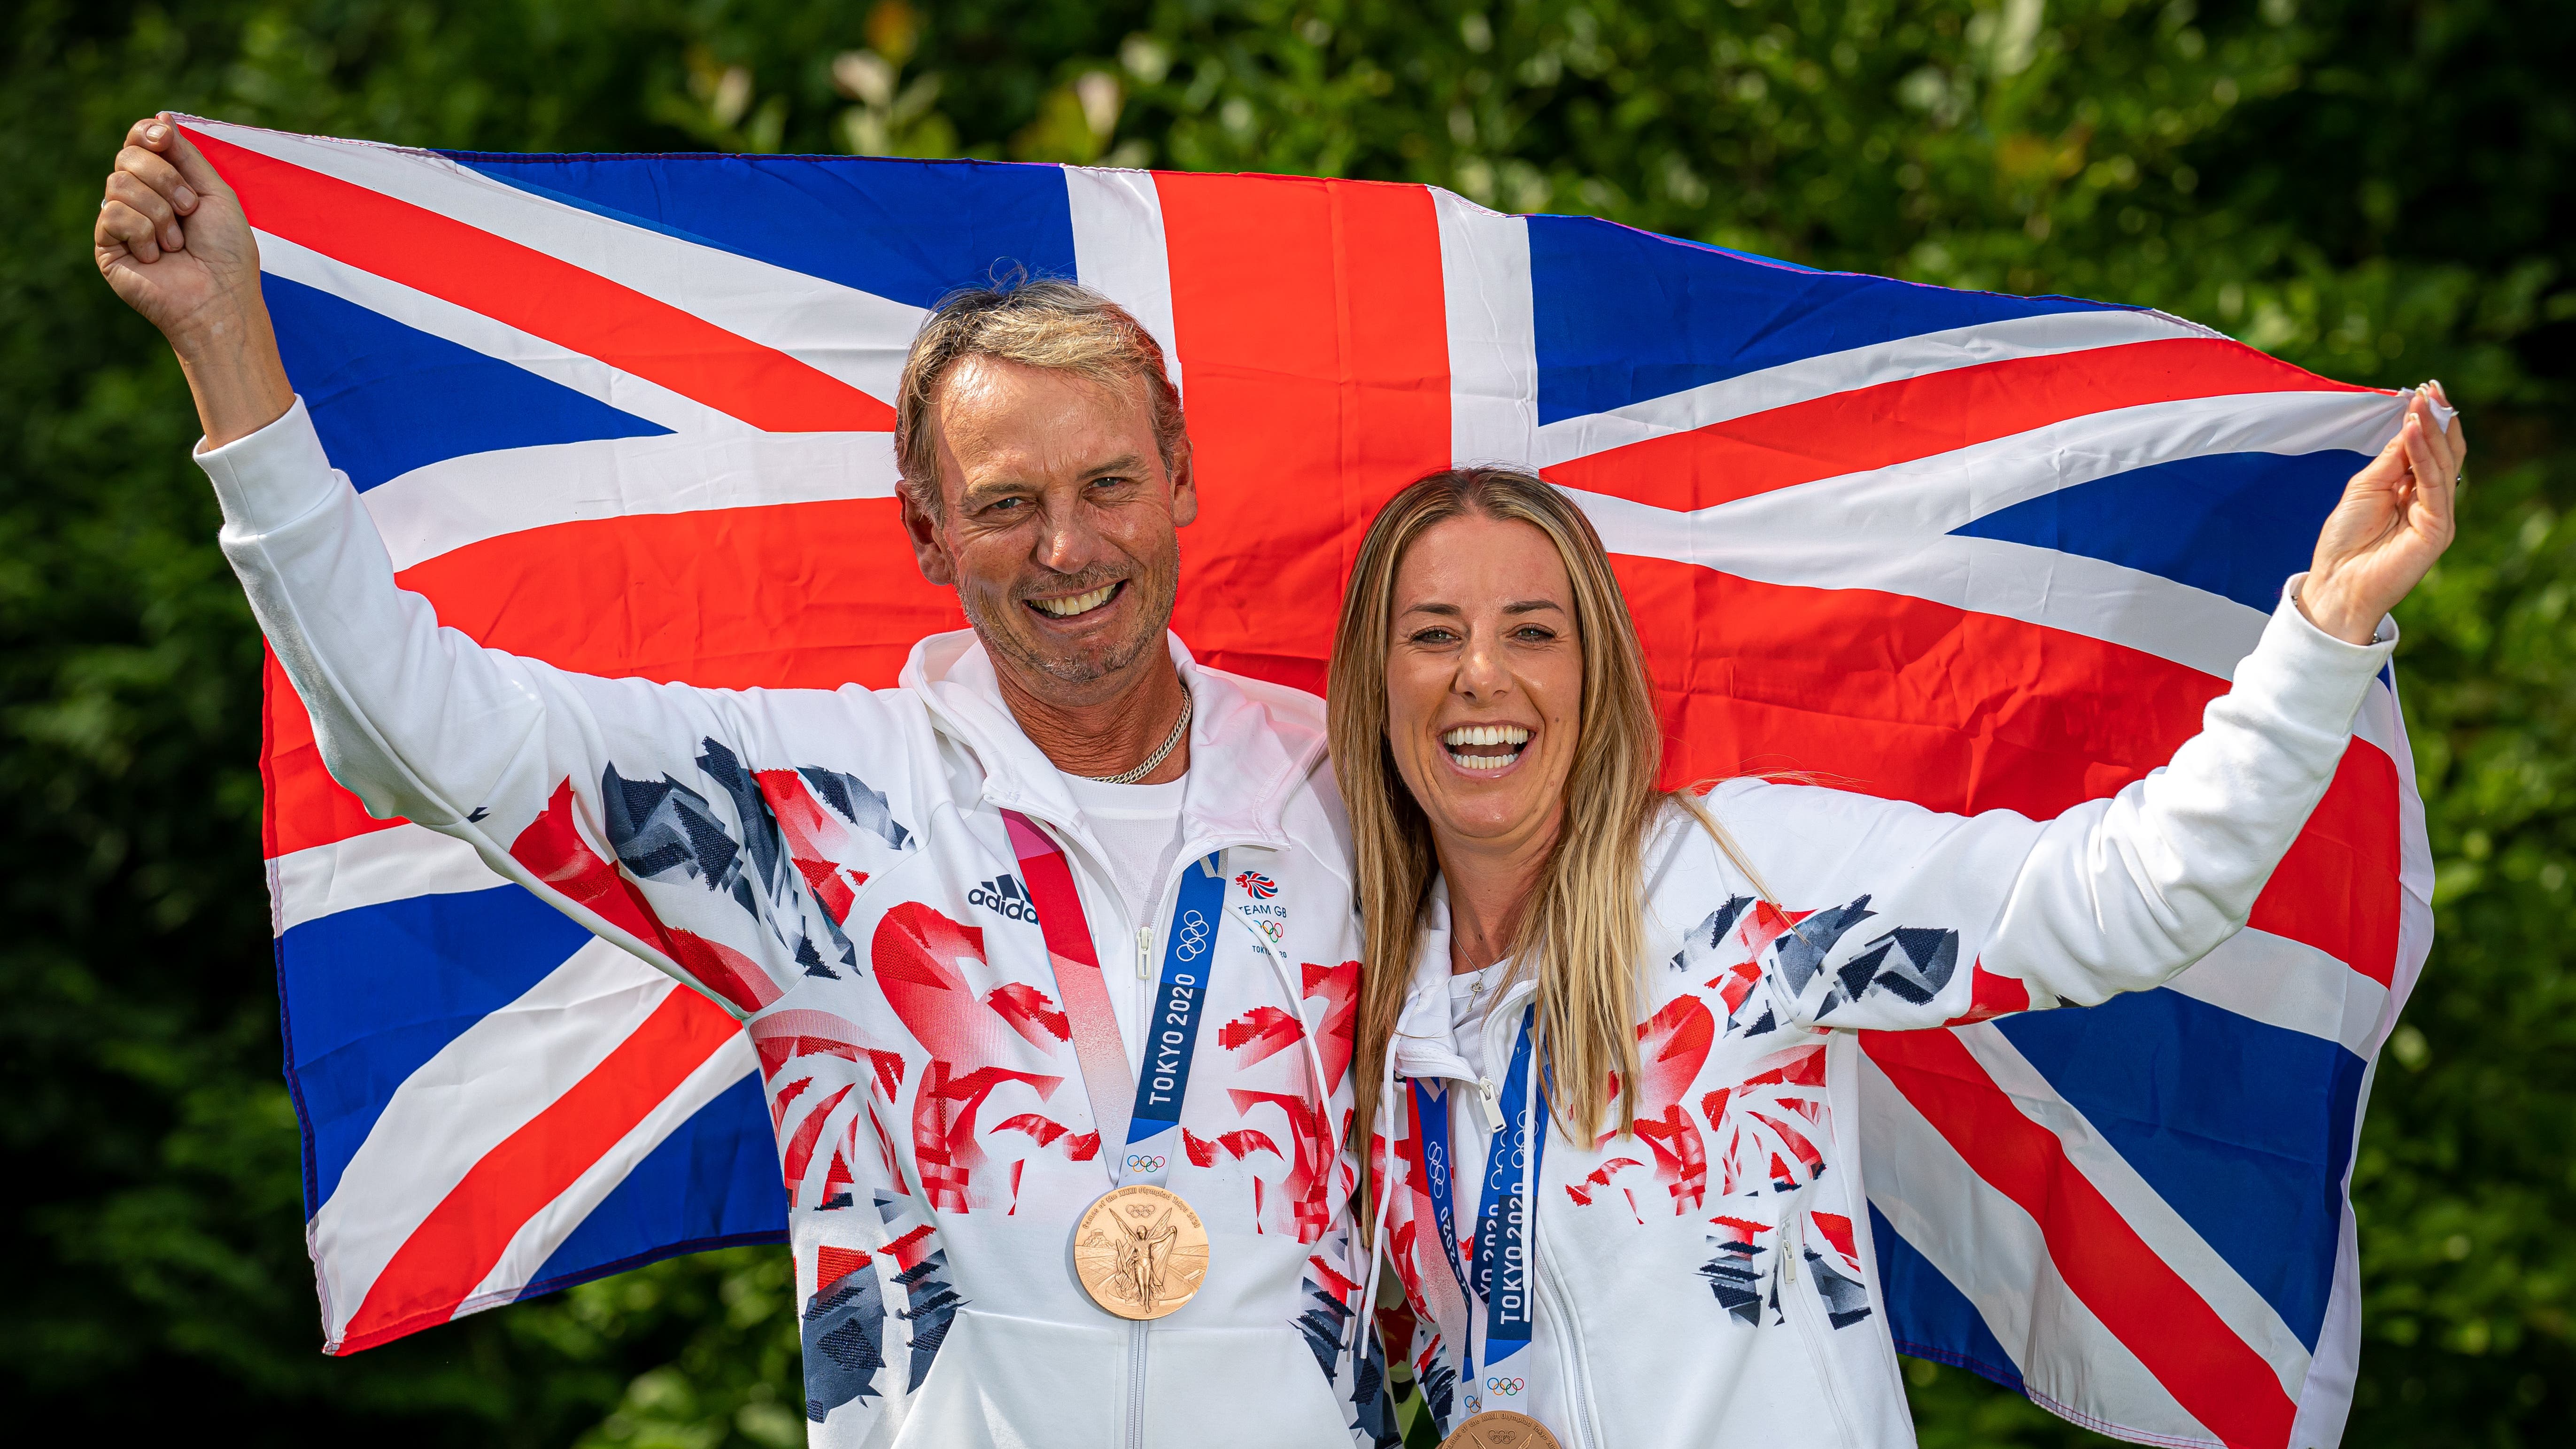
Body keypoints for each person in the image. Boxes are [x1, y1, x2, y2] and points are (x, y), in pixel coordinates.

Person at [96, 116, 1370, 1446]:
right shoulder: (812, 803)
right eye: (1003, 503)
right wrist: (226, 352)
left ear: (1178, 480)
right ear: (926, 533)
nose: (1065, 545)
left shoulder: (1350, 782)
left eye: (1108, 482)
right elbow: (414, 723)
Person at [1330, 394, 2461, 1449]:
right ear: (1373, 684)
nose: (1481, 674)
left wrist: (2325, 625)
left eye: (1531, 632)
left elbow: (2134, 891)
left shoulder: (1739, 883)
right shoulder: (1358, 1010)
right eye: (1433, 635)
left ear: (1595, 672)